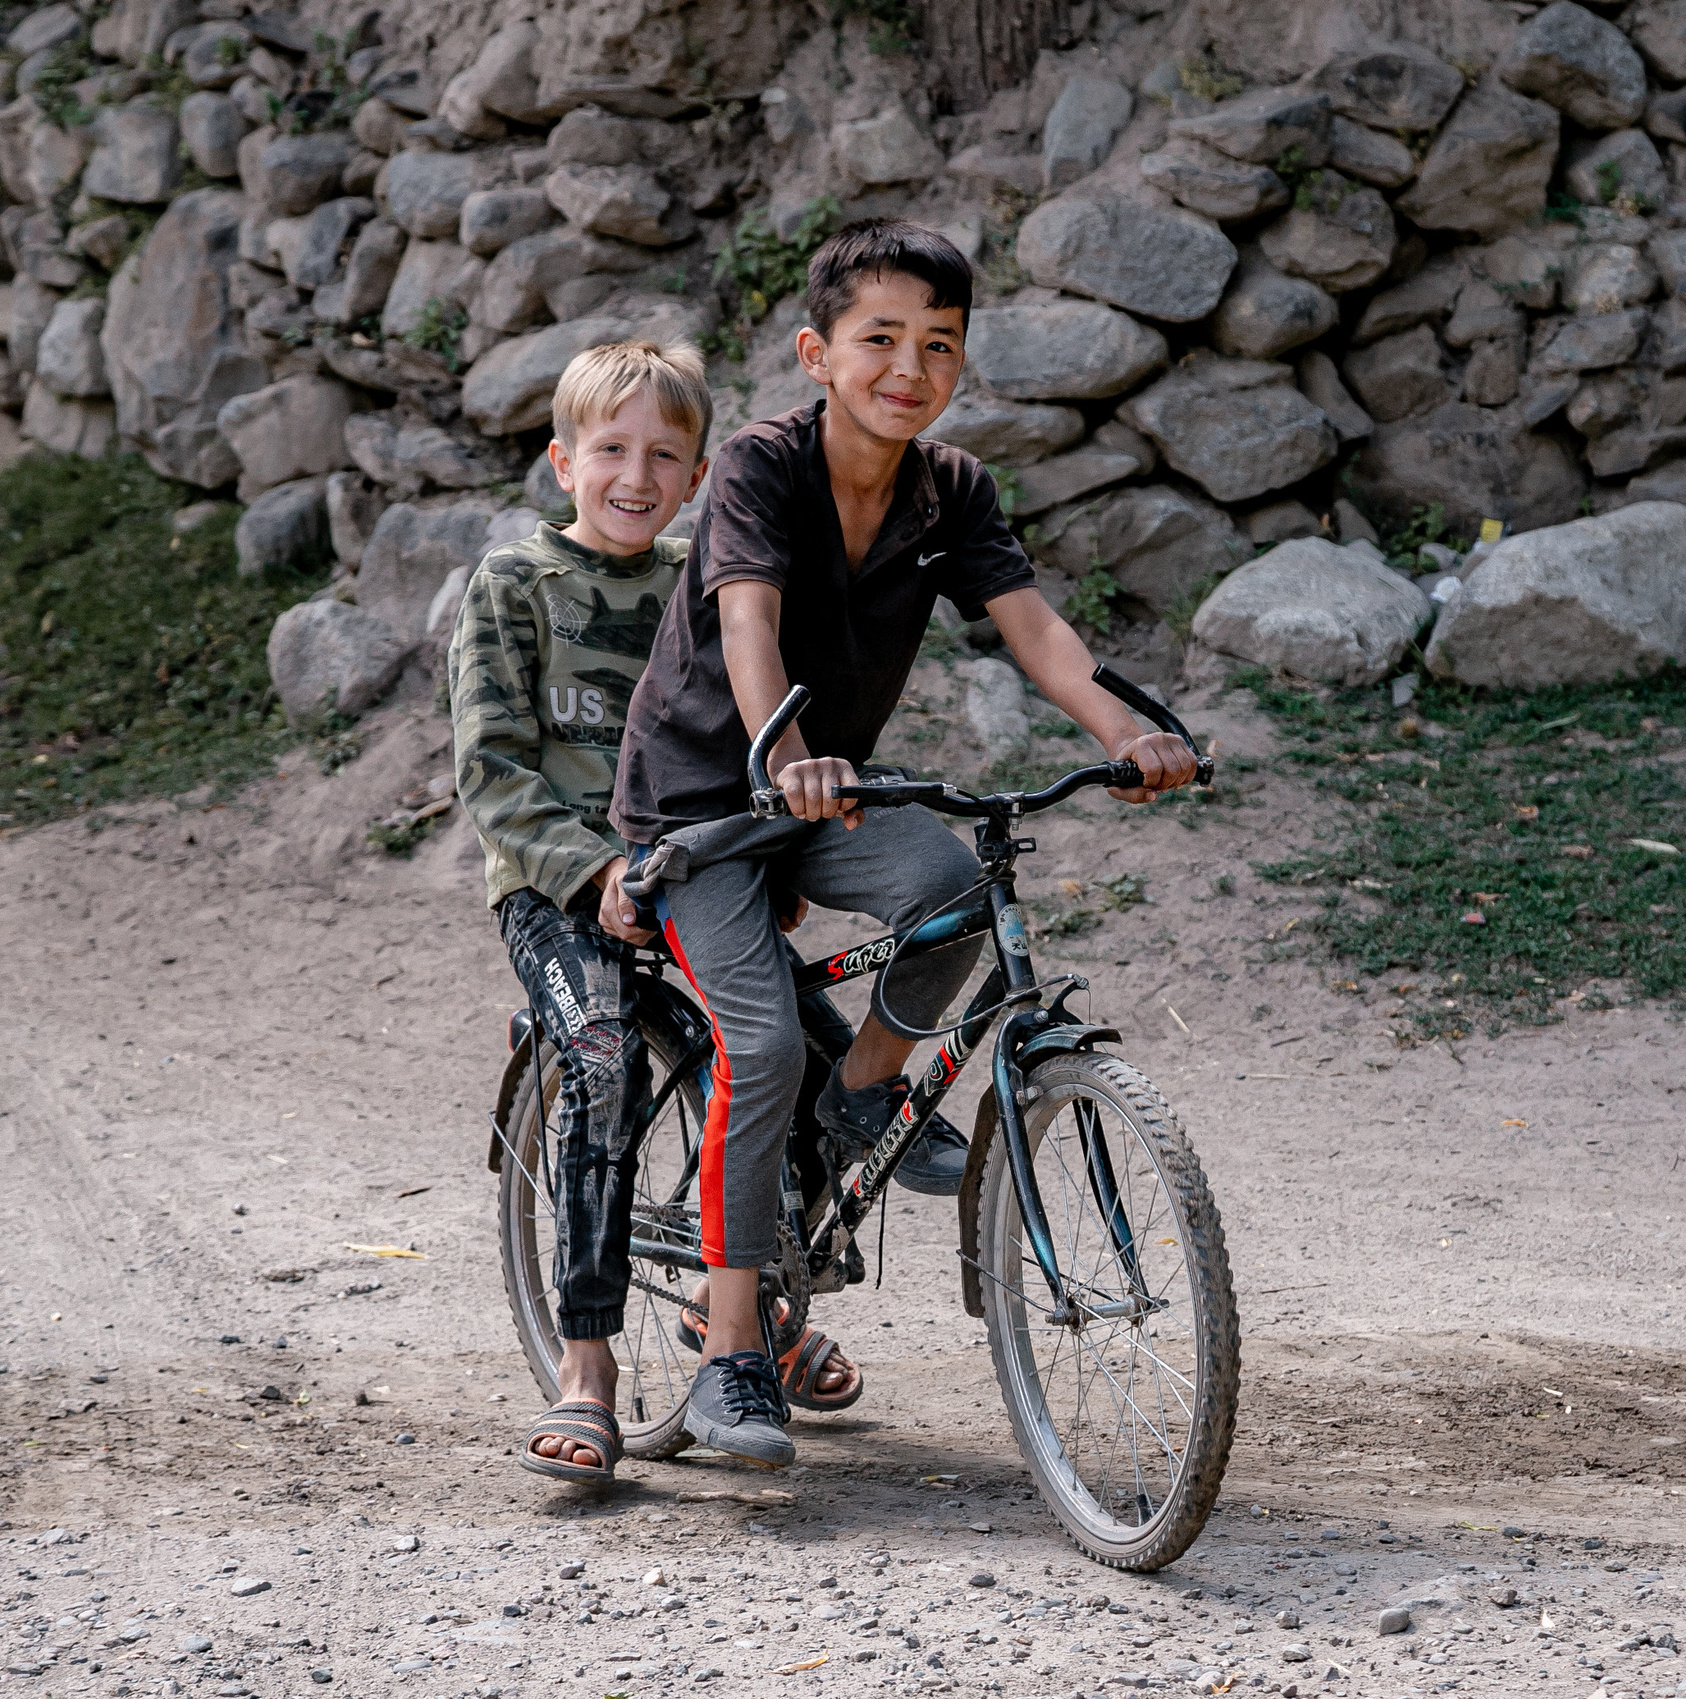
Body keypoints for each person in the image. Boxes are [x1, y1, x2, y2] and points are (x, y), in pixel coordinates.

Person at [609, 218, 1198, 1470]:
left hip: (827, 792)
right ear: (820, 353)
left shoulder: (951, 486)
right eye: (880, 340)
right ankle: (728, 1359)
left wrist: (1130, 731)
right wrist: (780, 750)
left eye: (938, 346)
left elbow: (1035, 632)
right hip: (706, 802)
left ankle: (864, 1088)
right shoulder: (761, 468)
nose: (907, 368)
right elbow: (749, 621)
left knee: (953, 885)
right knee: (758, 1039)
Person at [447, 339, 864, 1486]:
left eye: (664, 456)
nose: (635, 474)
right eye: (611, 450)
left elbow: (743, 736)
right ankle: (586, 1370)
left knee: (816, 1070)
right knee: (603, 1062)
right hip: (564, 893)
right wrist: (590, 877)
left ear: (693, 480)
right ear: (562, 462)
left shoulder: (706, 577)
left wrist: (767, 865)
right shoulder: (515, 585)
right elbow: (492, 773)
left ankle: (745, 1316)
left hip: (698, 876)